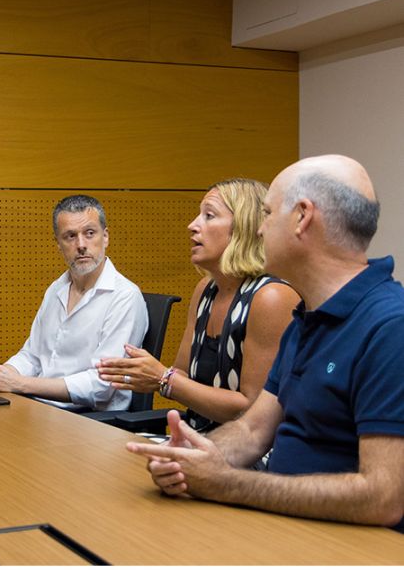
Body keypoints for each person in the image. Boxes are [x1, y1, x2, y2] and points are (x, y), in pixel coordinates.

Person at [127, 155, 404, 531]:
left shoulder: (390, 327)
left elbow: (383, 497)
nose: (258, 230)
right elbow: (254, 429)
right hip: (286, 526)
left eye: (268, 214)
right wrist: (186, 457)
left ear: (302, 218)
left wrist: (227, 483)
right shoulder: (308, 316)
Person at [97, 179, 299, 432]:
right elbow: (181, 375)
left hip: (252, 454)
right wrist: (148, 375)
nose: (192, 225)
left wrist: (163, 379)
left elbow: (252, 409)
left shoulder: (271, 297)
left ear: (244, 228)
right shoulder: (206, 290)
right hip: (199, 439)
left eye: (209, 216)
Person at [0, 195, 147, 411]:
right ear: (58, 244)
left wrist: (21, 384)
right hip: (41, 410)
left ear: (105, 237)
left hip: (92, 422)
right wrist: (2, 373)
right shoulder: (56, 288)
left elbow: (102, 385)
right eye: (70, 236)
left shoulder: (125, 296)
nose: (81, 245)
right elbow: (32, 356)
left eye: (90, 233)